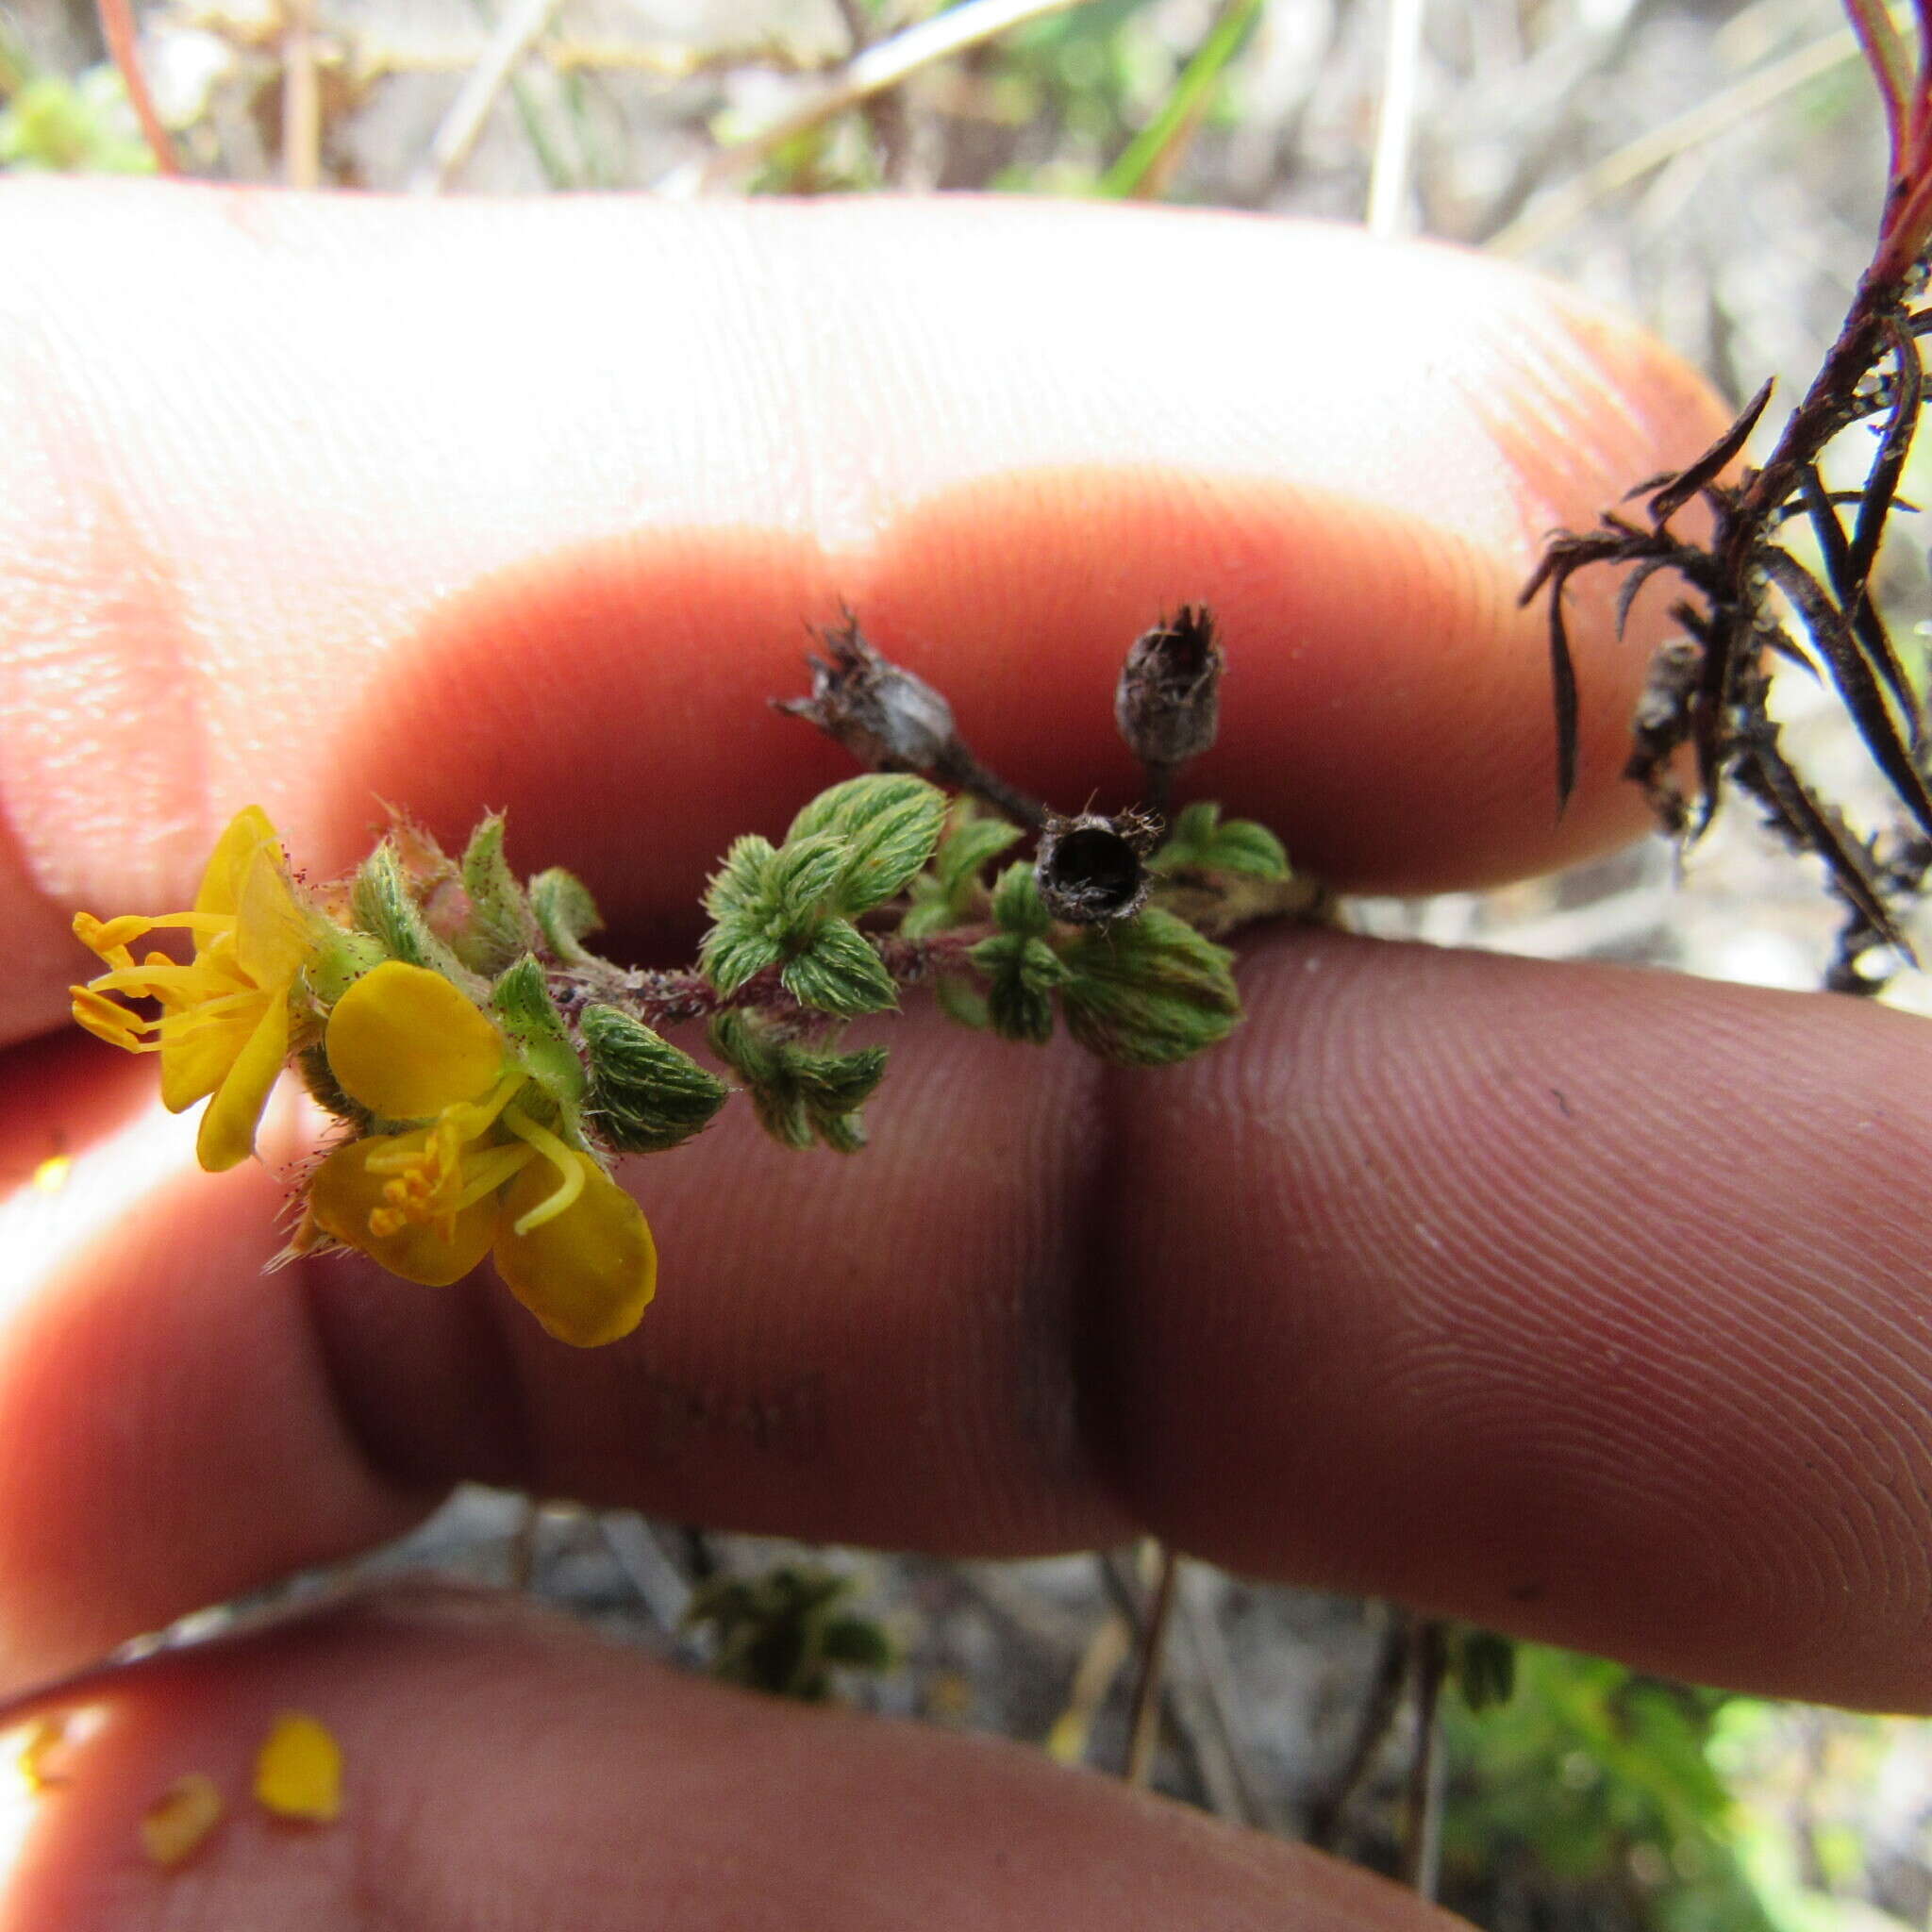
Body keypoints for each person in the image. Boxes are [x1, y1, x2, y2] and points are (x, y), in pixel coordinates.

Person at [0, 182, 1923, 1927]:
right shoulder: (444, 1064)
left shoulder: (463, 1046)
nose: (424, 1181)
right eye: (468, 1153)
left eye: (470, 1146)